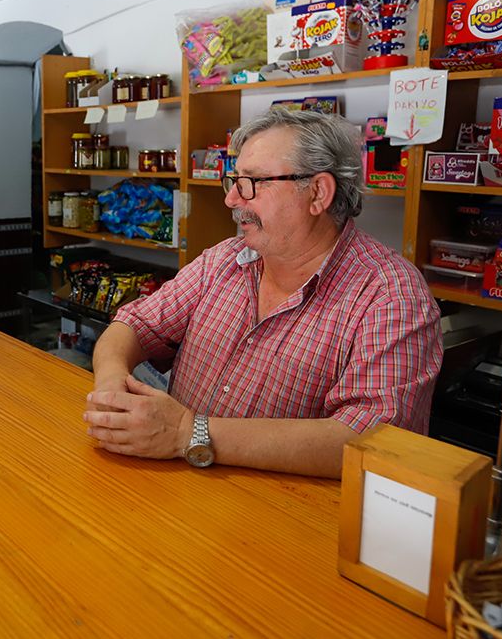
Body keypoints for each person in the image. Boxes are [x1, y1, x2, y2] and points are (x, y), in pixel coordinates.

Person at [83, 110, 441, 479]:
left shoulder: (391, 295)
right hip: (178, 490)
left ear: (318, 193)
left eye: (253, 182)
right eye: (234, 181)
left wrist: (187, 433)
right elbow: (134, 324)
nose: (233, 200)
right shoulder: (226, 259)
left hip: (283, 520)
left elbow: (375, 441)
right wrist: (110, 384)